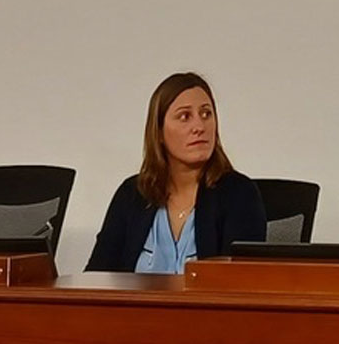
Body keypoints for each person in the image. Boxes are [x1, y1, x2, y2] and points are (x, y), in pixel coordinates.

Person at [86, 72, 266, 273]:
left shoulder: (238, 194)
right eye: (184, 117)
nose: (199, 127)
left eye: (206, 114)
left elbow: (240, 285)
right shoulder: (133, 194)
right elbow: (96, 277)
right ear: (159, 132)